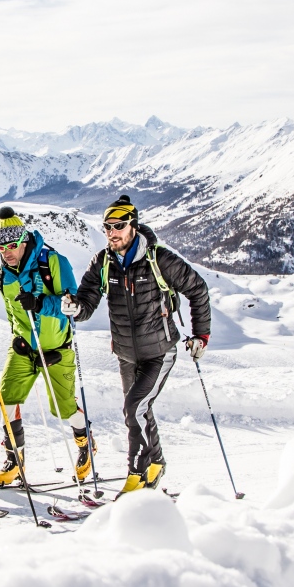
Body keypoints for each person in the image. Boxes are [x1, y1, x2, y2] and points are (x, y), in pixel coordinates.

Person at [65, 195, 210, 494]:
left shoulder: (159, 260)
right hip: (126, 354)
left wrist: (200, 336)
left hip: (159, 352)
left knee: (133, 409)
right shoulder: (103, 262)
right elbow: (88, 301)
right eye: (107, 227)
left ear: (133, 225)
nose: (111, 233)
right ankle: (155, 462)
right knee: (139, 411)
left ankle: (138, 471)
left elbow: (198, 290)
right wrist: (76, 308)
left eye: (118, 226)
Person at [0, 207, 89, 486]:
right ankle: (14, 460)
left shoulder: (53, 263)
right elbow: (11, 312)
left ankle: (85, 445)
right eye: (1, 247)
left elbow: (72, 306)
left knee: (64, 408)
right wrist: (16, 336)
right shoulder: (4, 273)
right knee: (7, 397)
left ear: (23, 240)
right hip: (23, 346)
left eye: (12, 245)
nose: (7, 252)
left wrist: (41, 304)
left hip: (56, 349)